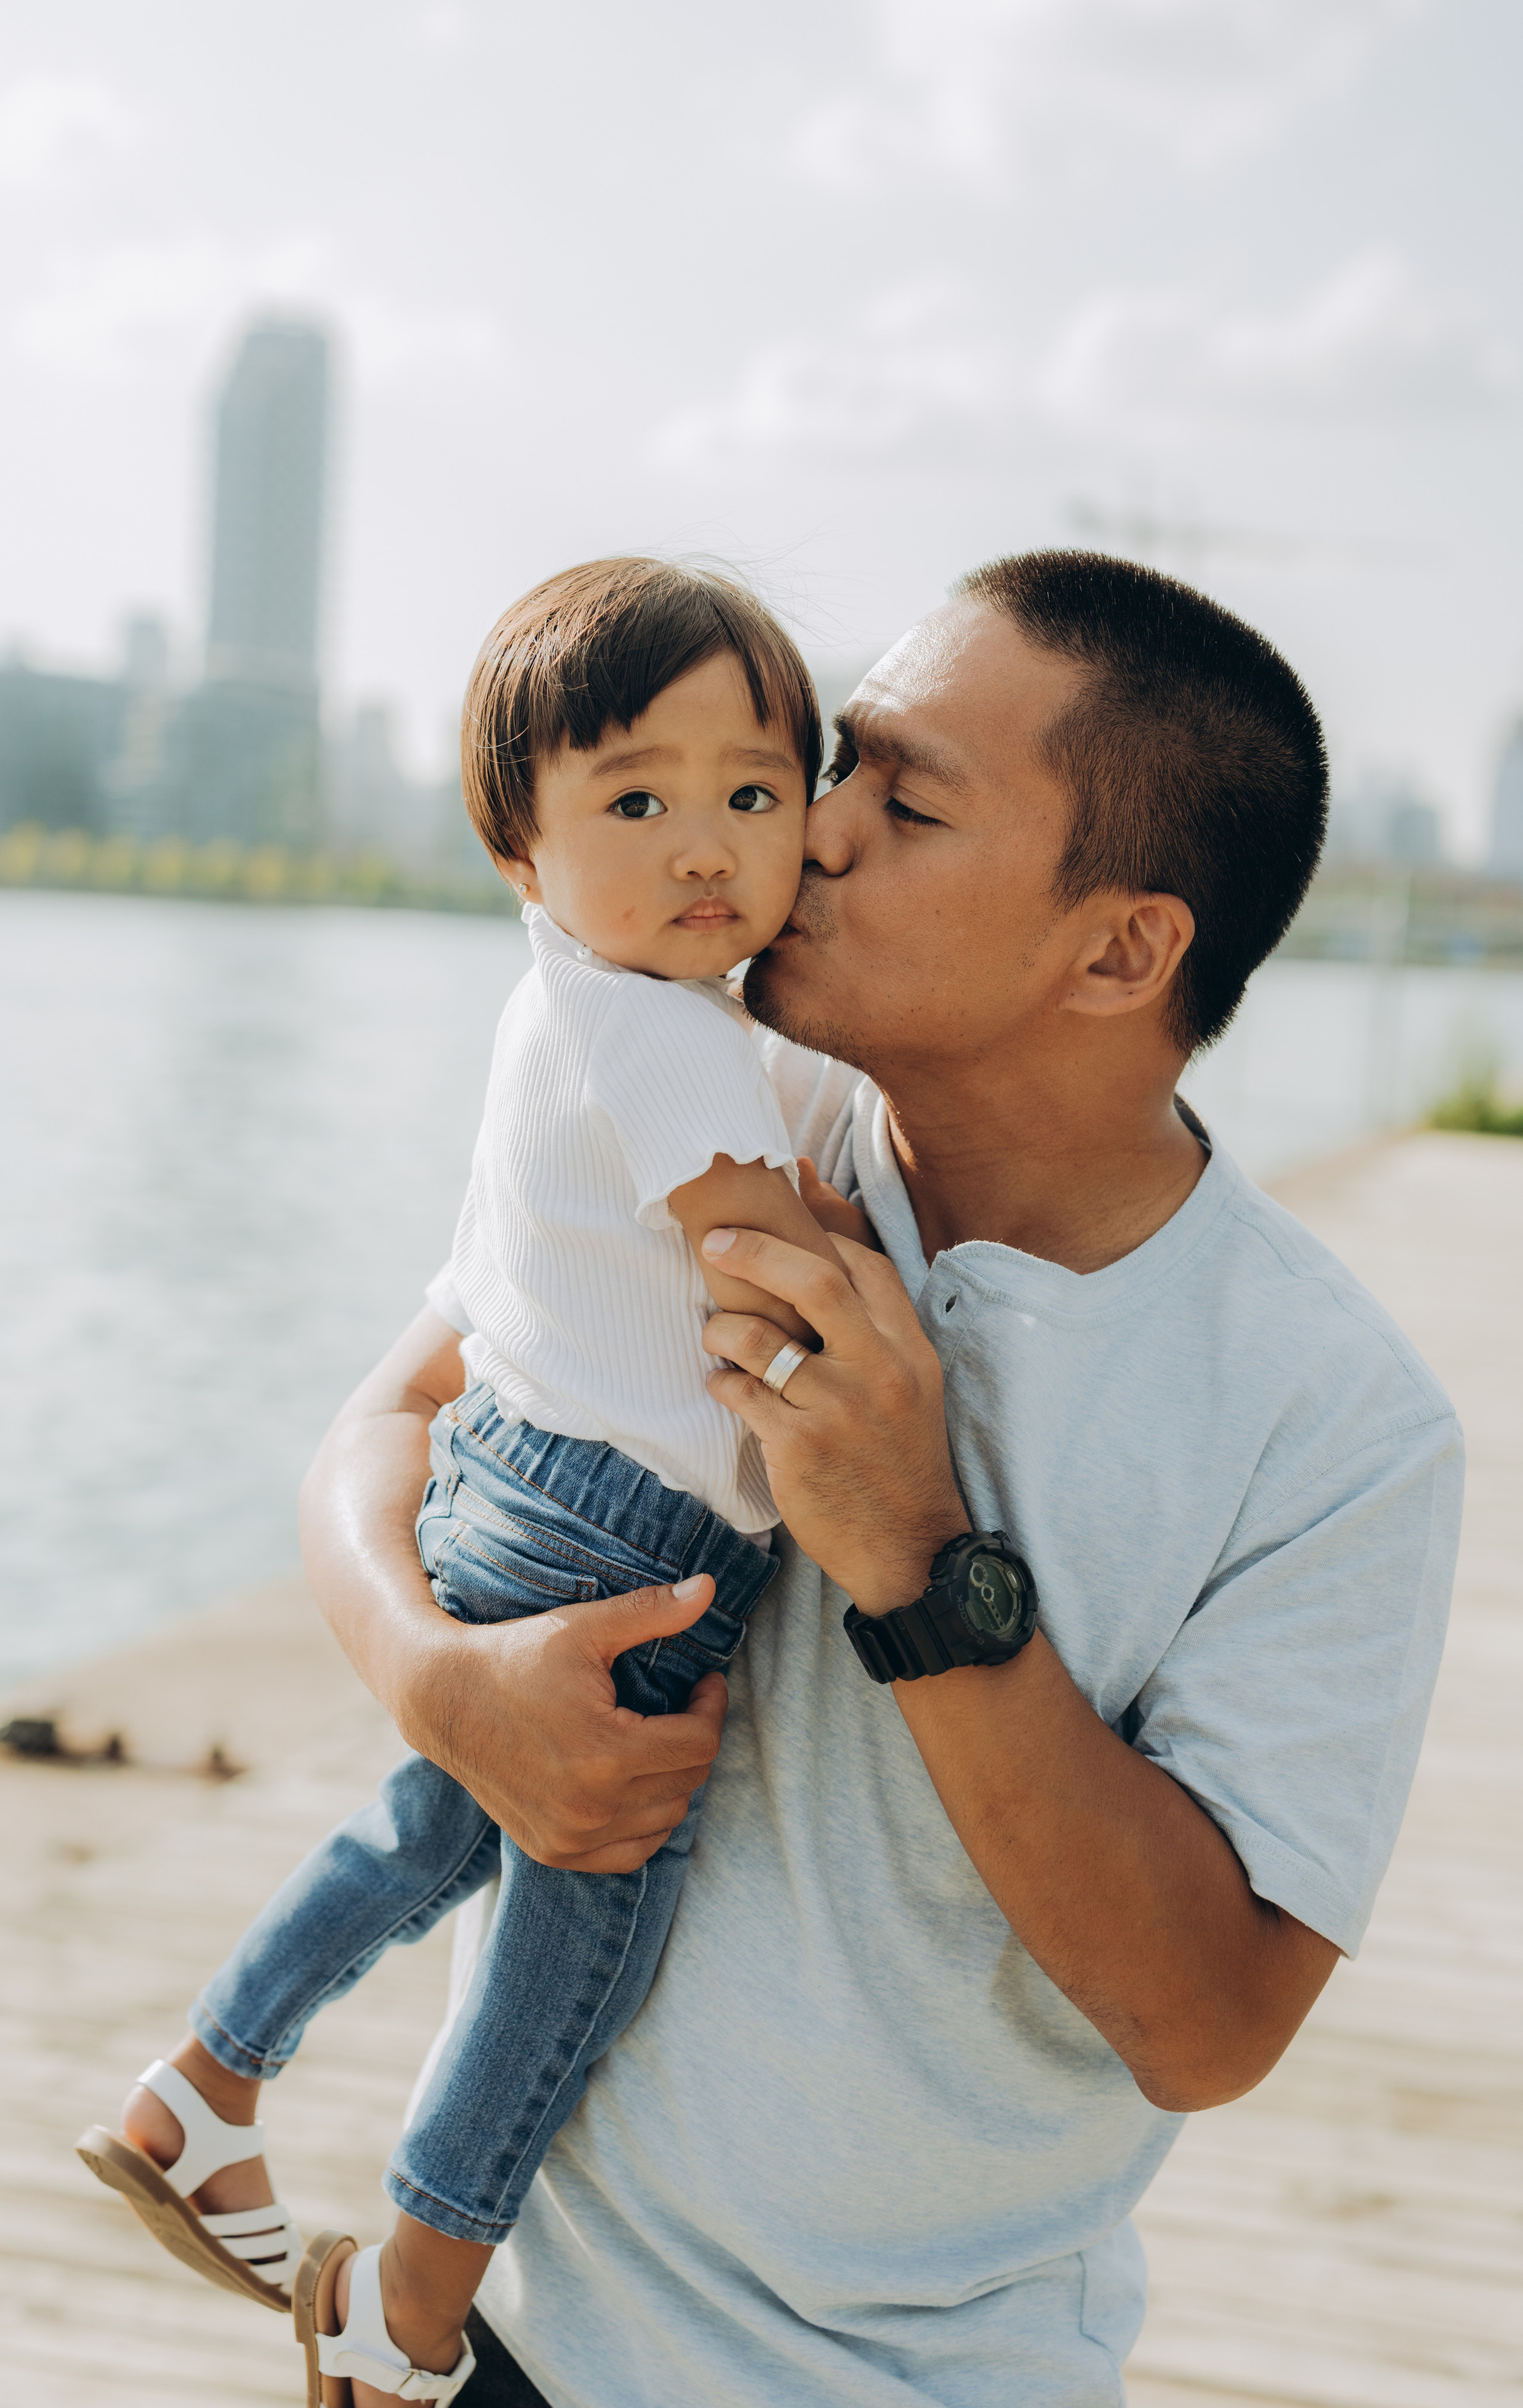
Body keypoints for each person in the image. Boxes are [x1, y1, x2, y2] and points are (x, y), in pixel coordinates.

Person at [292, 549, 1462, 2407]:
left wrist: (918, 1548)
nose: (804, 834)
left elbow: (1212, 2022)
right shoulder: (727, 1116)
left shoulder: (1331, 1417)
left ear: (1122, 948)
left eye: (900, 802)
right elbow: (387, 1421)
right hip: (503, 2322)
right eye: (834, 767)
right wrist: (442, 1679)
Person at [76, 559, 872, 2406]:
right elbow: (774, 1272)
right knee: (590, 1909)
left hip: (516, 1479)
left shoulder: (573, 1008)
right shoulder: (672, 1036)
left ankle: (208, 2081)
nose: (705, 849)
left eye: (755, 796)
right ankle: (418, 2288)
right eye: (637, 800)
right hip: (633, 1533)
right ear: (520, 845)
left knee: (440, 1822)